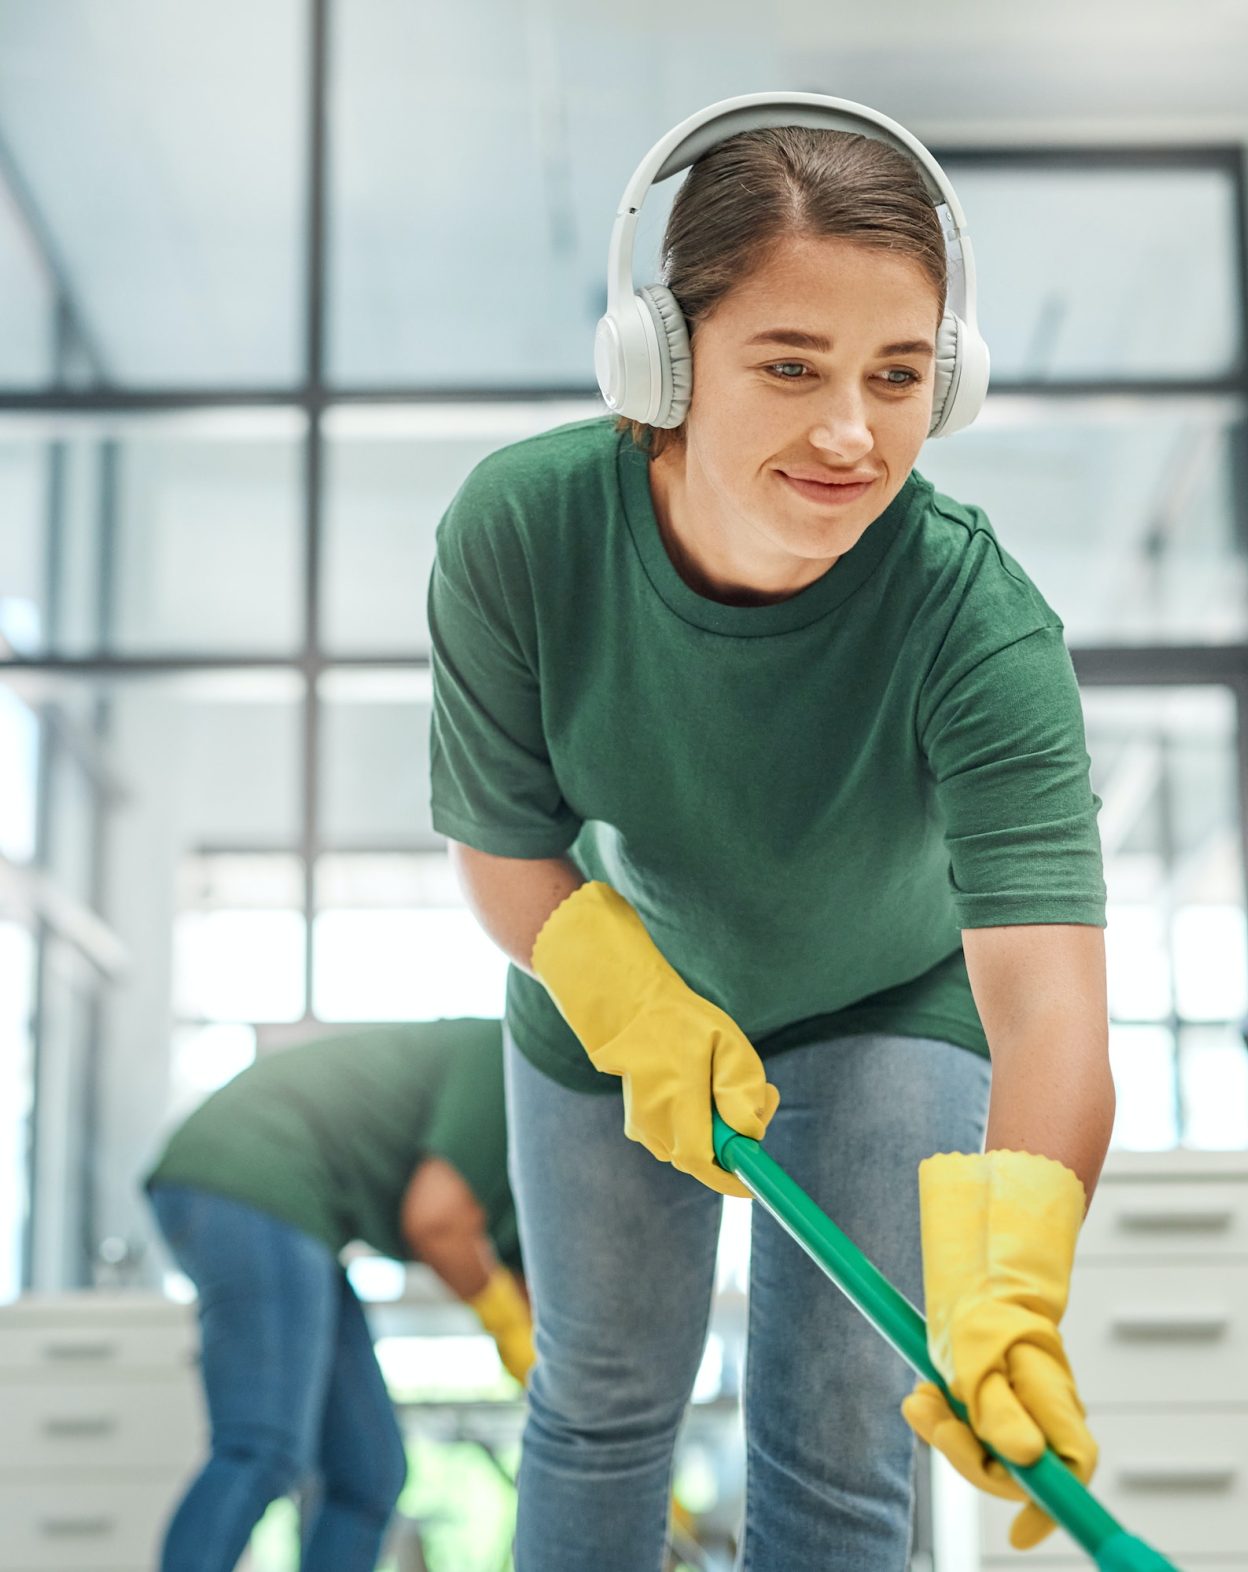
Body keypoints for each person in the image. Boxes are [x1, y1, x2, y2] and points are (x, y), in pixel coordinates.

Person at [427, 93, 1113, 1572]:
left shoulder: (978, 627)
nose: (853, 432)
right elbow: (503, 844)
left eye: (900, 374)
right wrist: (621, 999)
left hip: (886, 999)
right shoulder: (525, 533)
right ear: (660, 362)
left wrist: (1012, 1286)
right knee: (600, 1406)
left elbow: (1047, 992)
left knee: (844, 1438)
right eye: (790, 365)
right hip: (610, 990)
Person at [141, 1018, 532, 1572]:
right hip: (253, 1174)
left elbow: (532, 1293)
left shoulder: (535, 1183)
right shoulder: (507, 1062)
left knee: (368, 1472)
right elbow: (437, 1222)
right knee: (261, 1445)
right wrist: (510, 1331)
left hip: (296, 1210)